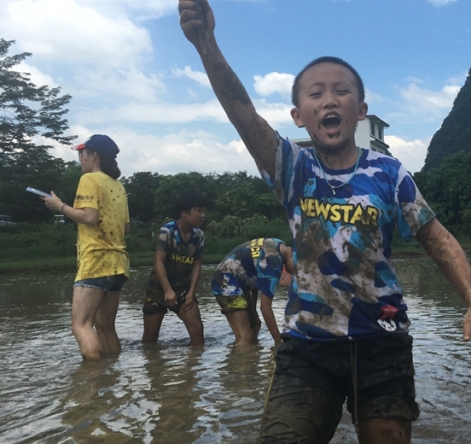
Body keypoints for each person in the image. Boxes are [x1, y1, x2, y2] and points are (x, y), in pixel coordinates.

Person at [178, 0, 471, 444]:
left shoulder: (389, 174)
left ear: (361, 109)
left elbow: (437, 237)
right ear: (299, 115)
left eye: (342, 91)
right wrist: (206, 42)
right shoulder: (292, 169)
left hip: (383, 344)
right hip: (309, 348)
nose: (330, 100)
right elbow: (239, 110)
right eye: (316, 94)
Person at [42, 134, 129, 360]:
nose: (80, 158)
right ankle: (111, 377)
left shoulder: (89, 179)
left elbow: (89, 217)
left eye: (82, 154)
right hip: (118, 263)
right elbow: (125, 228)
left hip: (95, 261)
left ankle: (92, 381)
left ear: (94, 155)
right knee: (106, 327)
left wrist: (59, 206)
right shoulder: (118, 186)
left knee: (80, 325)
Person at [142, 190, 206, 348]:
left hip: (183, 290)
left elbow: (197, 265)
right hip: (158, 290)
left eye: (204, 211)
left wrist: (191, 293)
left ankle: (195, 369)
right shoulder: (167, 231)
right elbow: (158, 262)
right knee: (150, 340)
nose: (202, 215)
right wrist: (167, 290)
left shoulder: (199, 235)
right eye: (198, 211)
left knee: (197, 331)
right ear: (184, 212)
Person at [211, 238, 293, 346]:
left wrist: (252, 306)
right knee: (245, 337)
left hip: (238, 282)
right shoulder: (273, 264)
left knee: (255, 326)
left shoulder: (278, 243)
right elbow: (265, 307)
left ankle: (248, 359)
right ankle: (241, 358)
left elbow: (254, 272)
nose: (296, 273)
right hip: (225, 282)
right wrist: (278, 341)